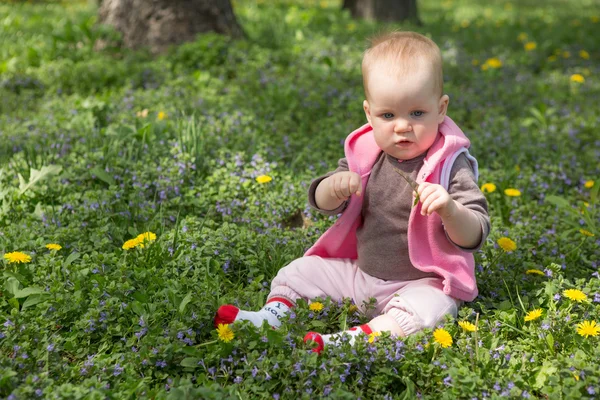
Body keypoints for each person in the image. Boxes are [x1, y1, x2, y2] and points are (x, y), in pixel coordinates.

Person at [215, 31, 490, 353]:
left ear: (441, 109)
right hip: (360, 275)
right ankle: (271, 316)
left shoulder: (449, 164)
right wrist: (332, 189)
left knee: (433, 309)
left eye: (417, 113)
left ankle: (353, 340)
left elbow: (476, 233)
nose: (402, 126)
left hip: (419, 282)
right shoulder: (365, 154)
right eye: (388, 115)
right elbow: (323, 203)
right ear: (368, 114)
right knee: (301, 271)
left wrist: (451, 210)